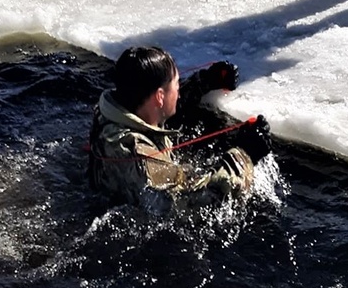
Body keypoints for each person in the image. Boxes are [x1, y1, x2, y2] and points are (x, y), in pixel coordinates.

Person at [88, 47, 273, 208]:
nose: (178, 91)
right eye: (177, 85)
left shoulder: (112, 109)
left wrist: (205, 81)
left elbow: (157, 105)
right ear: (160, 96)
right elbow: (200, 201)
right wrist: (244, 154)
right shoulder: (140, 157)